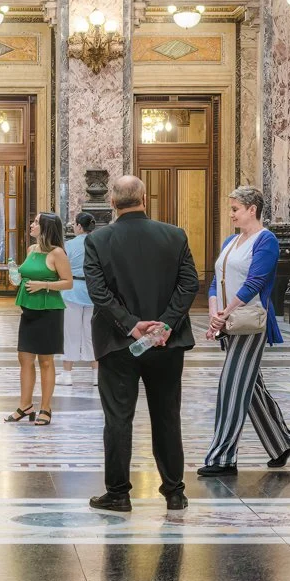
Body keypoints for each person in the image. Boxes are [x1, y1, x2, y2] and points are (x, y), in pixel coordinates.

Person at [83, 173, 197, 514]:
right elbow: (189, 284)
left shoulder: (98, 240)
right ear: (145, 198)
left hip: (119, 345)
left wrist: (132, 326)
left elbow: (98, 293)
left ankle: (118, 494)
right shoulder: (174, 235)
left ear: (112, 202)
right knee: (167, 416)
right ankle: (174, 492)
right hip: (166, 344)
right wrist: (165, 324)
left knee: (118, 418)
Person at [198, 186, 290, 476]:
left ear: (251, 209)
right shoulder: (230, 241)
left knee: (231, 386)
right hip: (230, 321)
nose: (231, 214)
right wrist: (214, 312)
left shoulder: (266, 240)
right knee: (249, 385)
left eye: (235, 209)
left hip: (250, 322)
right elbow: (217, 281)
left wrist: (224, 314)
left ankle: (222, 458)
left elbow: (255, 283)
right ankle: (282, 443)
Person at [8, 212, 72, 426]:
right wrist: (17, 278)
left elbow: (67, 282)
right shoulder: (31, 250)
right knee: (24, 358)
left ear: (46, 228)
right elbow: (27, 274)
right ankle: (25, 405)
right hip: (28, 310)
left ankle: (46, 407)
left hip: (49, 312)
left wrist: (43, 285)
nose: (31, 224)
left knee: (45, 360)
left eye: (36, 222)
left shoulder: (57, 253)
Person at [61, 210, 97, 387]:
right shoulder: (99, 243)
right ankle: (96, 374)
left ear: (79, 226)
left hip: (72, 291)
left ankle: (67, 374)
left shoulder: (68, 245)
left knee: (70, 334)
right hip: (93, 292)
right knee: (92, 334)